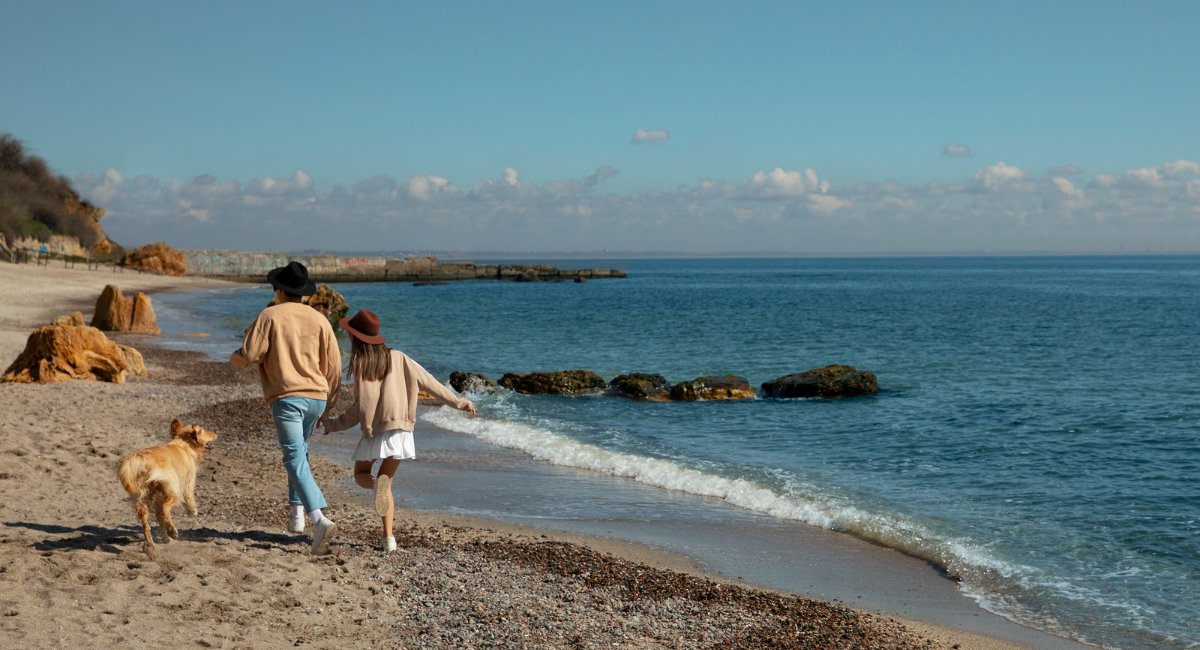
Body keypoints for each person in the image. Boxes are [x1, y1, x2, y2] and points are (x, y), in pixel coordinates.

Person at [320, 310, 475, 552]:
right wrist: (458, 402)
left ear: (356, 338)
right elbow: (431, 383)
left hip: (377, 431)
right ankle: (389, 539)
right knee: (386, 482)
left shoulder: (362, 365)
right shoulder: (401, 358)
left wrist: (333, 424)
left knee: (362, 474)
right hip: (402, 432)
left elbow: (359, 408)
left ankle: (376, 492)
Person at [230, 261, 342, 555]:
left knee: (293, 456)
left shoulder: (269, 315)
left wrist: (235, 359)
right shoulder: (320, 320)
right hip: (317, 397)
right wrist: (329, 403)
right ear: (303, 292)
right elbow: (334, 365)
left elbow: (251, 353)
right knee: (300, 453)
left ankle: (319, 519)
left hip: (287, 397)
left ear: (278, 290)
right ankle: (296, 515)